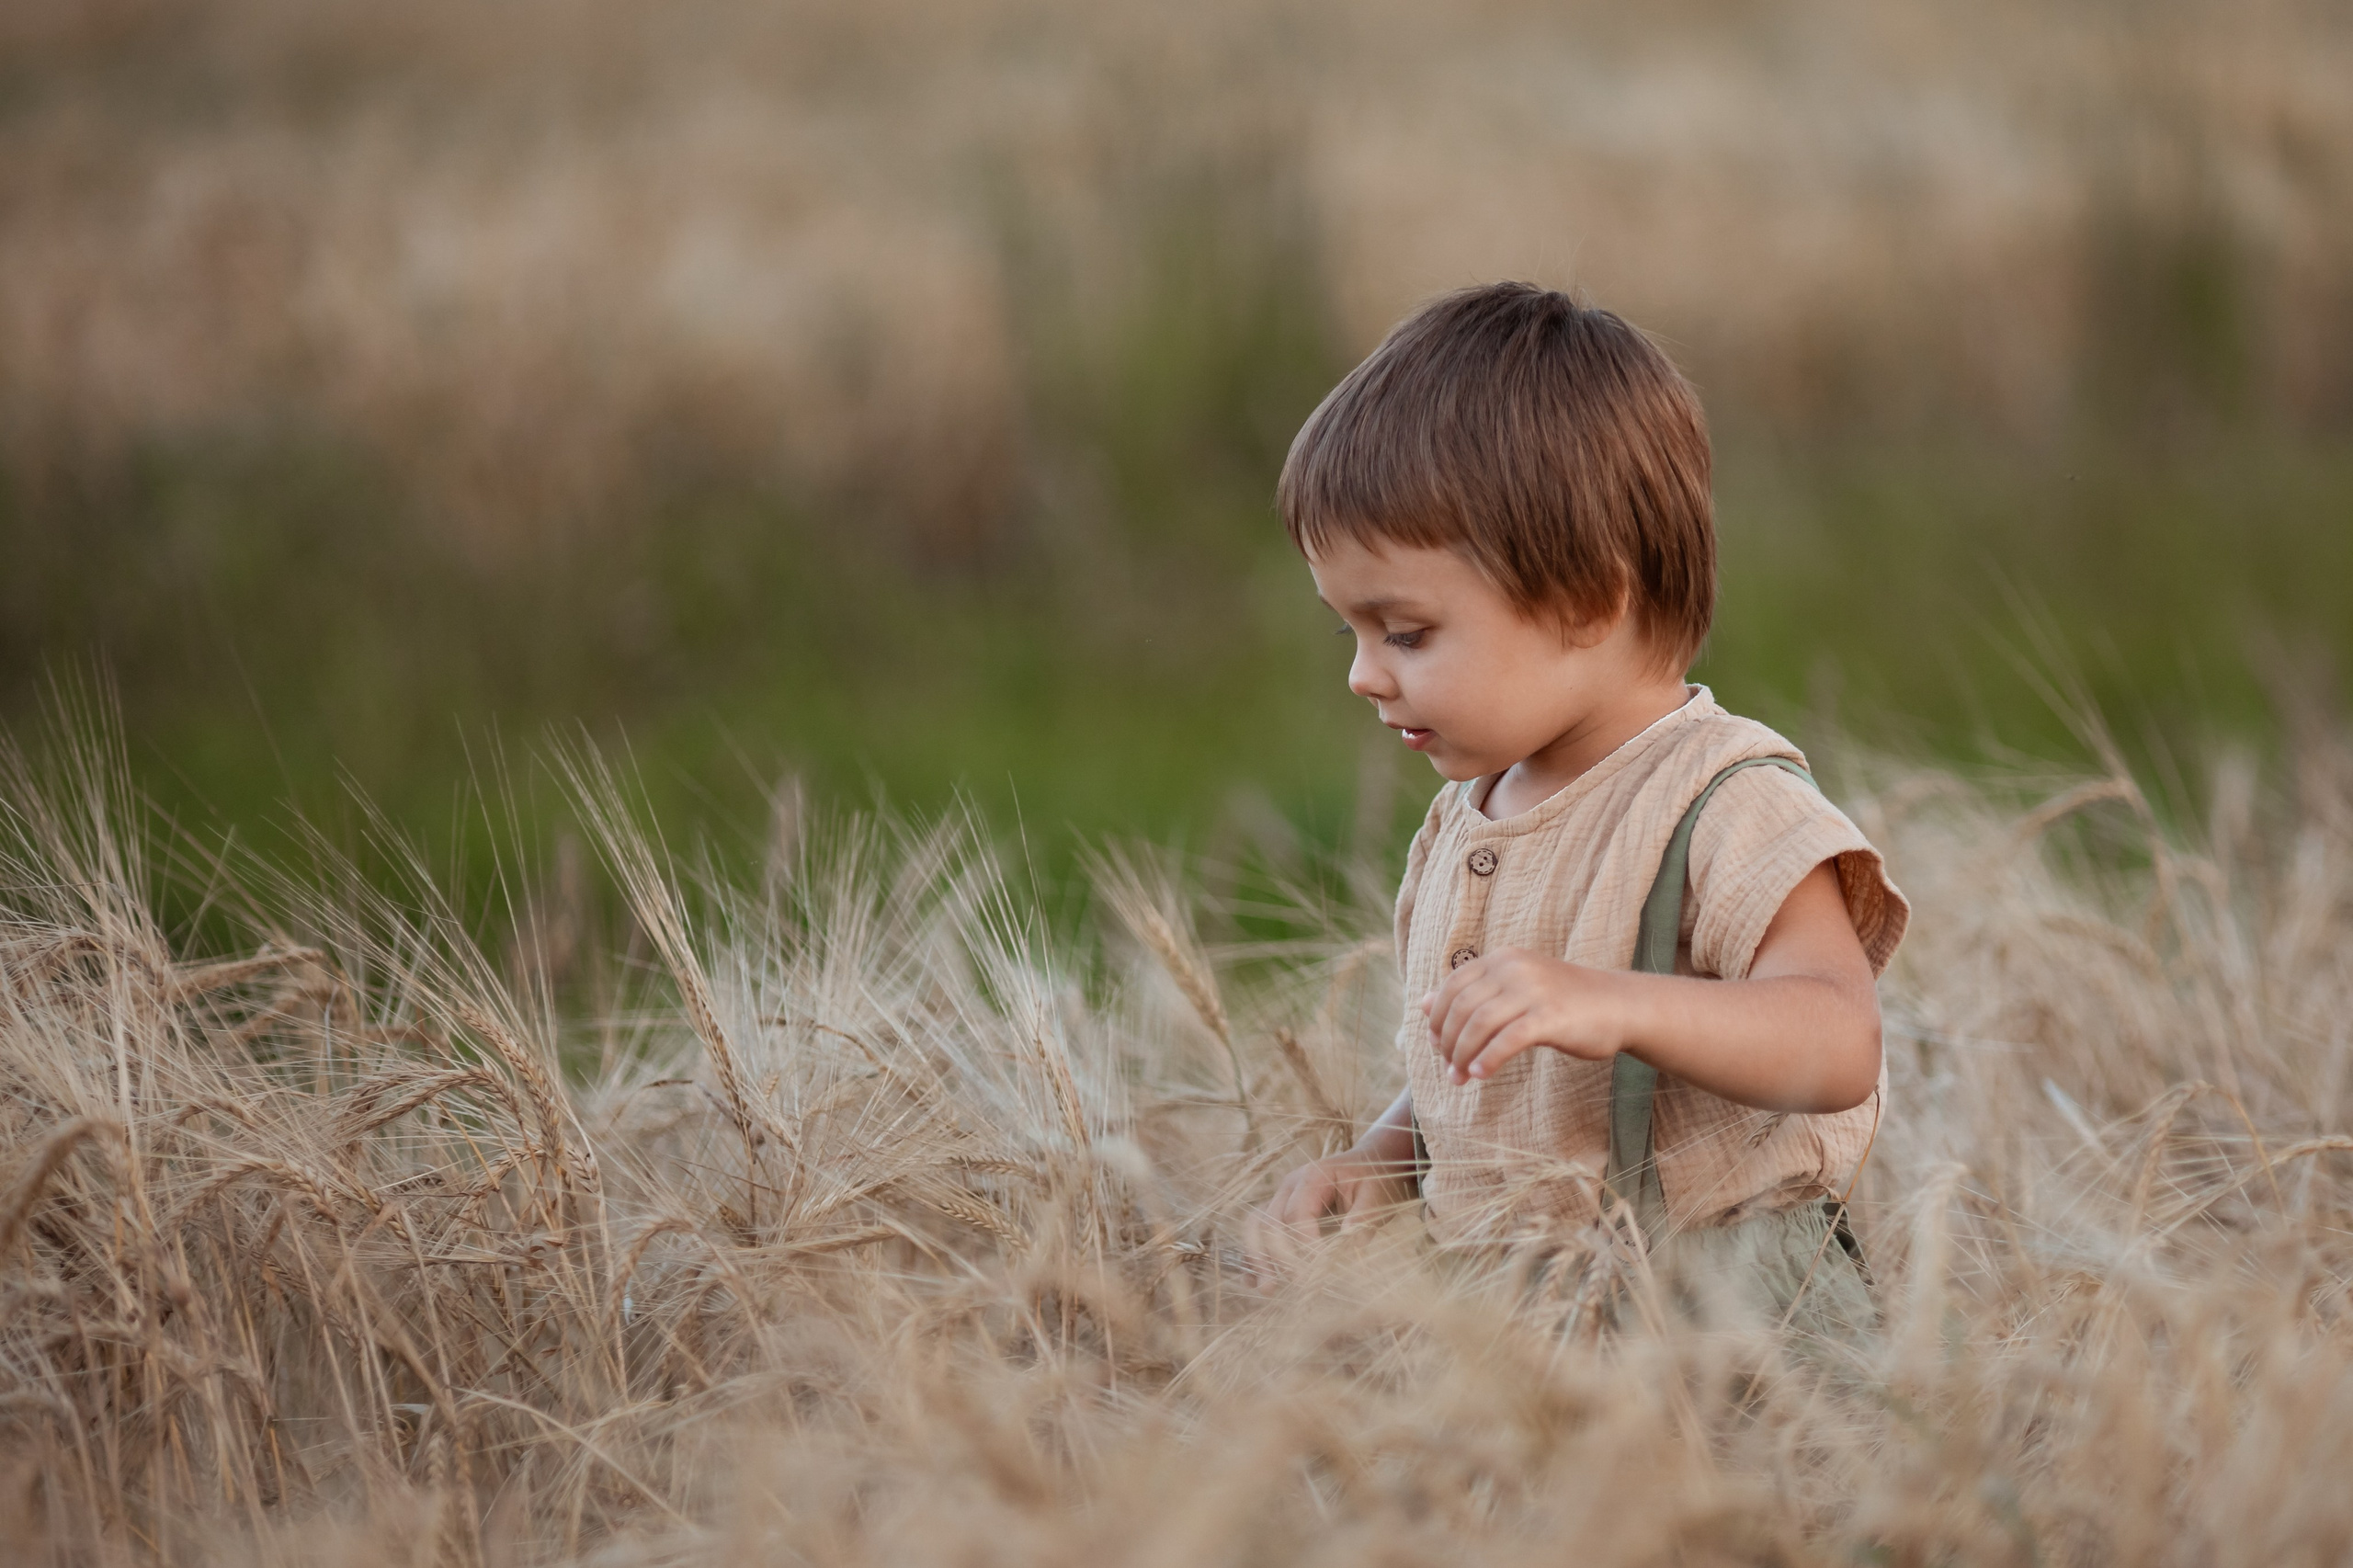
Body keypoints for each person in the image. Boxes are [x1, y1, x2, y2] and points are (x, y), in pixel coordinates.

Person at [1248, 282, 1908, 1340]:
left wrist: (1615, 1002)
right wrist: (1386, 1156)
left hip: (1722, 1327)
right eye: (1348, 636)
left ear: (1588, 602)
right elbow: (1496, 1066)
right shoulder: (1469, 817)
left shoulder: (1720, 800)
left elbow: (1837, 1038)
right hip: (1525, 1327)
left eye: (1406, 633)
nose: (1364, 676)